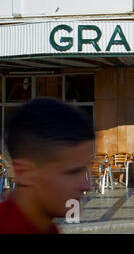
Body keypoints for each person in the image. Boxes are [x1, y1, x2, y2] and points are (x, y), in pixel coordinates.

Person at [0, 98, 94, 234]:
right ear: (24, 173)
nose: (87, 186)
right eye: (72, 172)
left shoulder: (46, 227)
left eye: (85, 168)